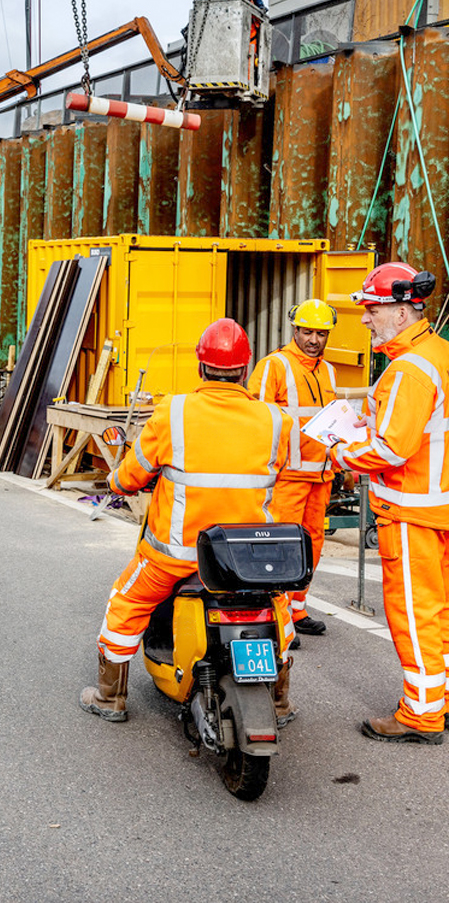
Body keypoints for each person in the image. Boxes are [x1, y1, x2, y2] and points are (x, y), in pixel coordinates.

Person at [79, 318, 296, 725]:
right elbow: (280, 471)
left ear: (200, 368)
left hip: (176, 557)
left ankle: (110, 698)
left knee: (126, 603)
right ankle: (280, 701)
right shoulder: (275, 419)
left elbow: (132, 475)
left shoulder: (173, 412)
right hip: (248, 559)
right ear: (245, 370)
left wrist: (115, 481)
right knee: (277, 610)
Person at [331, 262, 448, 745]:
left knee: (415, 613)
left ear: (402, 312)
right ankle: (437, 697)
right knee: (440, 610)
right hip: (437, 503)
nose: (365, 319)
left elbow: (390, 450)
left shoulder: (408, 370)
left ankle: (420, 716)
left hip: (410, 510)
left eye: (373, 310)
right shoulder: (438, 353)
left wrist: (341, 448)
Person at [248, 300, 338, 644]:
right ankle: (279, 616)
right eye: (308, 331)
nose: (314, 339)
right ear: (294, 330)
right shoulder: (275, 366)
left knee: (311, 546)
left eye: (321, 333)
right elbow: (257, 421)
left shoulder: (328, 372)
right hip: (286, 477)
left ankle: (297, 608)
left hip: (320, 476)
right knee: (280, 548)